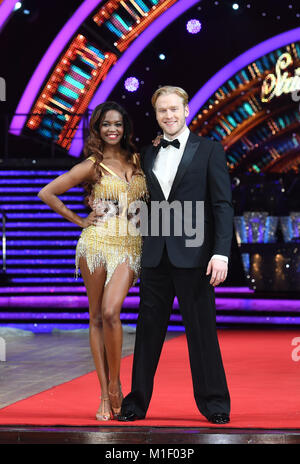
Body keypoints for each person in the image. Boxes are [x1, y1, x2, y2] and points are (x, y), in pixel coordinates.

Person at [119, 86, 234, 425]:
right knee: (147, 332)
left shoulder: (209, 150)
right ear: (156, 116)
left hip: (196, 256)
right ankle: (135, 403)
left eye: (174, 109)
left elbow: (222, 205)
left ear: (186, 110)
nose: (168, 115)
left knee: (202, 332)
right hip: (156, 255)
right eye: (161, 111)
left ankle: (215, 403)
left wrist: (221, 254)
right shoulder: (147, 153)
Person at [38, 102, 148, 421]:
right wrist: (78, 219)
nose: (112, 130)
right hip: (96, 243)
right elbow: (47, 193)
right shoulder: (92, 164)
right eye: (105, 125)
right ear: (97, 130)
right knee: (97, 315)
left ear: (125, 128)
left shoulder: (138, 160)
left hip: (130, 245)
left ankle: (116, 384)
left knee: (112, 311)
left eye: (117, 124)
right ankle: (105, 392)